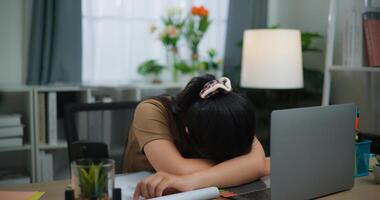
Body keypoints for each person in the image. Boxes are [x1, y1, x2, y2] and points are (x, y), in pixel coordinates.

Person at [123, 74, 270, 199]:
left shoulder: (226, 109)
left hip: (197, 192)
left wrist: (189, 182)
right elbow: (179, 170)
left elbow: (257, 164)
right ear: (188, 130)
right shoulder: (152, 111)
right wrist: (241, 166)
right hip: (147, 192)